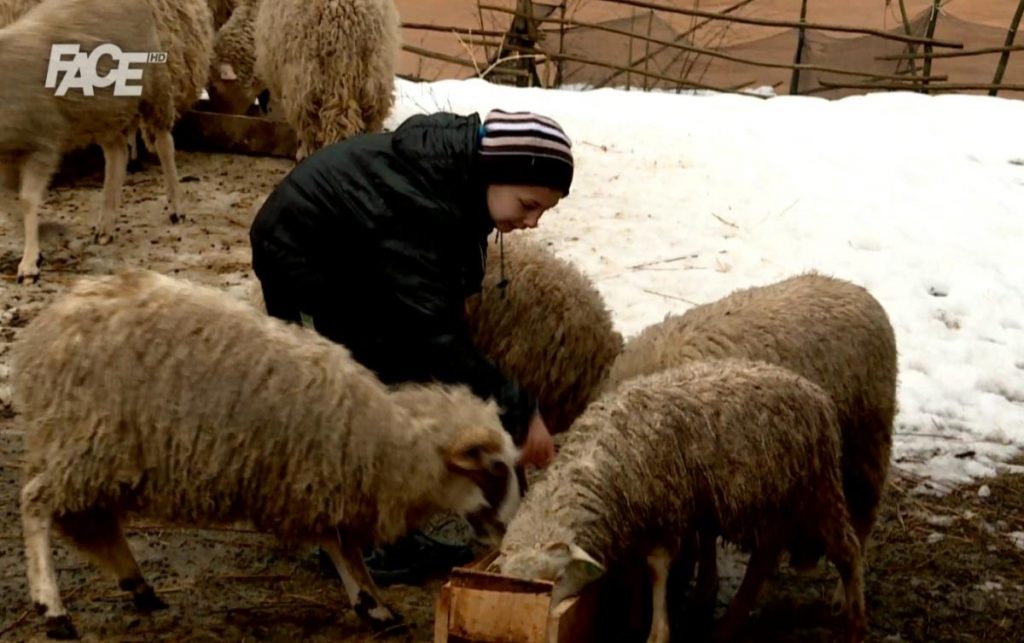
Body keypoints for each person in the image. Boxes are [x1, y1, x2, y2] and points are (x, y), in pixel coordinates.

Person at [248, 108, 574, 583]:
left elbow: (442, 285)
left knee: (400, 366)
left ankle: (386, 527)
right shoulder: (418, 201)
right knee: (361, 386)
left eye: (543, 210)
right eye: (529, 204)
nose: (534, 221)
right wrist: (521, 412)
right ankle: (353, 536)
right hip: (303, 256)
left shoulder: (458, 181)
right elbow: (433, 334)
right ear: (497, 173)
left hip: (350, 254)